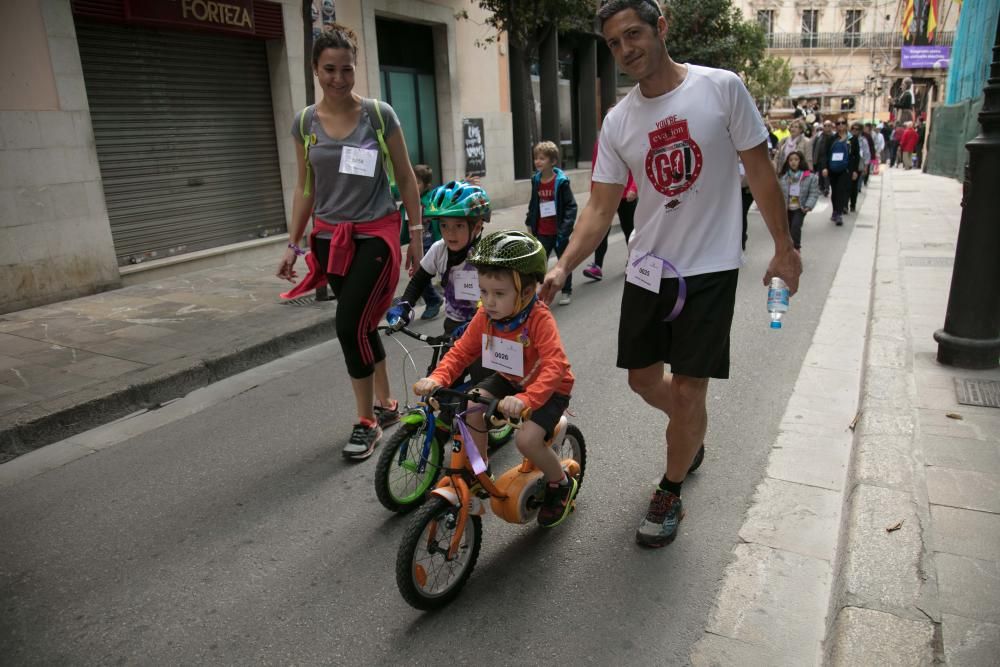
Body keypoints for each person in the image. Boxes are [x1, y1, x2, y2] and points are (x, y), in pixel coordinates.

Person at [540, 0, 802, 548]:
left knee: (687, 389)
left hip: (709, 268)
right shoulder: (619, 120)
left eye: (633, 34)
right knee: (642, 379)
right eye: (613, 43)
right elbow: (599, 207)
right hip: (646, 268)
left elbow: (759, 169)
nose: (625, 49)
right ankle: (692, 428)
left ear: (661, 28)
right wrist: (563, 262)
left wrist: (784, 247)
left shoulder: (721, 88)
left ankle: (671, 486)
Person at [277, 25, 424, 460]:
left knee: (348, 326)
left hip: (375, 234)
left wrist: (415, 236)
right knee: (362, 324)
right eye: (329, 69)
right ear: (314, 69)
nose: (338, 78)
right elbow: (305, 187)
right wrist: (294, 243)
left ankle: (367, 422)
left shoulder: (378, 115)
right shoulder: (304, 122)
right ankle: (387, 404)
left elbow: (405, 176)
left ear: (356, 68)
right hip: (329, 239)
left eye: (346, 69)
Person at [413, 230, 578, 528]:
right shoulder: (485, 316)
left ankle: (560, 482)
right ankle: (480, 470)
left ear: (526, 293)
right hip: (510, 380)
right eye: (484, 292)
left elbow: (556, 365)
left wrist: (527, 399)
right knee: (471, 408)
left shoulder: (539, 319)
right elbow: (461, 352)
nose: (488, 301)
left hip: (548, 388)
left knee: (526, 440)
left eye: (499, 294)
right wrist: (438, 377)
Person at [388, 179, 491, 345]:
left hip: (485, 326)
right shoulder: (439, 249)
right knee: (442, 369)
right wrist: (404, 305)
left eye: (458, 226)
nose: (450, 233)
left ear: (477, 227)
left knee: (482, 371)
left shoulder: (487, 255)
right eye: (444, 225)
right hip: (453, 325)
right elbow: (418, 281)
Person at [526, 141, 578, 305]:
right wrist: (530, 221)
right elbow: (533, 203)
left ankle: (566, 290)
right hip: (542, 231)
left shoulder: (561, 182)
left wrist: (565, 230)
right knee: (539, 263)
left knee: (564, 262)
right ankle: (538, 291)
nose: (537, 162)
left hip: (559, 232)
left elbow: (571, 206)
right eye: (536, 158)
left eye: (542, 158)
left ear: (553, 161)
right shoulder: (536, 181)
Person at [583, 140, 638, 280]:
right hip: (606, 194)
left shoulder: (627, 139)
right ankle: (597, 266)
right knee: (601, 229)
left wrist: (633, 187)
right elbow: (596, 168)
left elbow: (636, 165)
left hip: (626, 195)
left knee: (629, 230)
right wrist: (594, 193)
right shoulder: (599, 143)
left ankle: (634, 262)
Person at [399, 164, 445, 321]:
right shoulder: (409, 201)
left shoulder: (431, 199)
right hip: (415, 244)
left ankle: (434, 300)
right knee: (419, 275)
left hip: (429, 243)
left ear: (426, 185)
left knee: (422, 275)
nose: (413, 185)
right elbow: (405, 225)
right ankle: (433, 299)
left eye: (417, 182)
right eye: (411, 181)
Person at [777, 151, 818, 251]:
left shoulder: (810, 177)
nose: (793, 162)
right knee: (787, 230)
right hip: (787, 208)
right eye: (790, 160)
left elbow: (813, 193)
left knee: (795, 227)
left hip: (800, 207)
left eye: (796, 159)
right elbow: (779, 194)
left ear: (801, 161)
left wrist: (808, 205)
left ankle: (796, 248)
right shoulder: (783, 177)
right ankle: (787, 250)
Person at [826, 119, 853, 225]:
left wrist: (853, 170)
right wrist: (825, 168)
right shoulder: (832, 138)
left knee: (841, 191)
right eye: (838, 123)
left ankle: (839, 214)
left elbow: (855, 156)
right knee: (835, 191)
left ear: (846, 125)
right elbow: (825, 154)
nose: (840, 125)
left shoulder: (852, 139)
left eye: (843, 123)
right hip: (833, 169)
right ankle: (835, 210)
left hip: (845, 169)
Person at [812, 120, 835, 197]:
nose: (827, 127)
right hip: (820, 158)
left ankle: (827, 188)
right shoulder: (819, 136)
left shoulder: (834, 136)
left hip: (829, 158)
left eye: (829, 126)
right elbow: (814, 146)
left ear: (831, 127)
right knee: (820, 174)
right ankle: (821, 187)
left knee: (826, 174)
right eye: (825, 126)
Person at [848, 122, 865, 211]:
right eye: (853, 129)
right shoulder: (848, 139)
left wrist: (866, 166)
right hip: (849, 165)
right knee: (847, 185)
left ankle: (853, 204)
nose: (854, 131)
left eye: (857, 129)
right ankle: (845, 205)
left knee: (854, 186)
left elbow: (866, 153)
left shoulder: (863, 140)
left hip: (858, 166)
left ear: (860, 131)